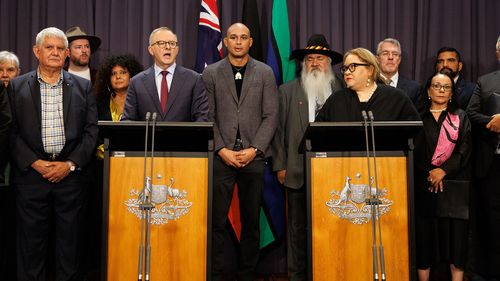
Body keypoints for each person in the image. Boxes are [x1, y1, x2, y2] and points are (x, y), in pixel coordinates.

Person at [7, 27, 98, 281]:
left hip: (71, 179)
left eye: (61, 49)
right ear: (37, 51)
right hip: (31, 179)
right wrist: (35, 163)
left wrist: (69, 165)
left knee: (69, 251)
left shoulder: (82, 87)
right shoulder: (15, 87)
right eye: (50, 48)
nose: (56, 53)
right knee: (30, 250)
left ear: (67, 54)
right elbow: (10, 132)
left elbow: (92, 132)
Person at [202, 23, 278, 281]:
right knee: (216, 221)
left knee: (251, 220)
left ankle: (248, 272)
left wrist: (254, 148)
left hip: (253, 157)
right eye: (233, 37)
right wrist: (221, 149)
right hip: (221, 157)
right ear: (225, 41)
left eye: (243, 38)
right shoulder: (211, 73)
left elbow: (271, 116)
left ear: (250, 42)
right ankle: (214, 272)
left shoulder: (265, 72)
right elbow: (207, 116)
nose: (238, 42)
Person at [271, 34, 343, 281]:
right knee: (297, 232)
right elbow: (278, 131)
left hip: (334, 175)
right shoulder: (287, 91)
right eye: (309, 58)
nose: (314, 63)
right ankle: (297, 276)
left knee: (332, 229)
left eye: (320, 58)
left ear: (329, 63)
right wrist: (280, 166)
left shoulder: (343, 90)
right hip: (297, 172)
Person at [414, 72, 472, 281]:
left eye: (446, 87)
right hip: (424, 185)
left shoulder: (460, 116)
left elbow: (464, 150)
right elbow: (413, 150)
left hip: (452, 185)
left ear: (451, 93)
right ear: (429, 90)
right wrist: (430, 173)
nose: (441, 90)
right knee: (424, 238)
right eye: (436, 86)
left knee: (456, 240)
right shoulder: (416, 117)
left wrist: (443, 170)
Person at [466, 35, 500, 280]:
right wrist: (492, 121)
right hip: (492, 163)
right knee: (491, 219)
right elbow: (470, 113)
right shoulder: (486, 81)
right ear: (498, 54)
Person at [123, 26, 208, 121]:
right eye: (161, 43)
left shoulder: (194, 80)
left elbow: (202, 119)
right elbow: (128, 120)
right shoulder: (136, 82)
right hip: (148, 136)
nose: (168, 47)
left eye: (172, 44)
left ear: (177, 50)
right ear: (151, 50)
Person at [316, 47, 420, 122]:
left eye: (353, 66)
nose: (347, 72)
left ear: (370, 70)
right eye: (345, 68)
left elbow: (415, 136)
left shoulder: (395, 98)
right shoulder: (336, 100)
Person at [95, 54, 143, 121]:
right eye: (113, 74)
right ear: (108, 78)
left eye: (123, 72)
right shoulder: (98, 102)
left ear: (132, 75)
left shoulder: (141, 100)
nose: (118, 77)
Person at [376, 38, 421, 105]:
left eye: (395, 54)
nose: (390, 57)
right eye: (385, 53)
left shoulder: (414, 88)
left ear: (399, 59)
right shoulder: (368, 86)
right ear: (377, 59)